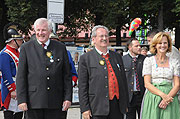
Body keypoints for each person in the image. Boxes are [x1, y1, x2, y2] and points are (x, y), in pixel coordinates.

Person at [16, 18, 72, 119]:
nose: (40, 33)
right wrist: (22, 100)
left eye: (44, 30)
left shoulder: (60, 47)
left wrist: (67, 98)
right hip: (33, 102)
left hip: (56, 101)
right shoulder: (26, 48)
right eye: (38, 30)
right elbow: (21, 76)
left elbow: (66, 75)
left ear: (50, 31)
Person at [78, 25, 129, 119]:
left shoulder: (116, 57)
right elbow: (82, 86)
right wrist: (85, 108)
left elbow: (123, 81)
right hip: (97, 106)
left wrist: (125, 103)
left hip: (117, 105)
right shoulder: (86, 58)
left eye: (106, 36)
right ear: (93, 39)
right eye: (101, 36)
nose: (104, 38)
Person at [141, 32, 180, 119]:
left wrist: (167, 99)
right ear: (155, 45)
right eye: (160, 43)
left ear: (168, 45)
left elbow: (177, 85)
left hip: (171, 97)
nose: (163, 45)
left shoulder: (174, 62)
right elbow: (147, 84)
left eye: (165, 43)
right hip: (153, 97)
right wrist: (163, 96)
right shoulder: (148, 61)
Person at [0, 23, 24, 119]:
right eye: (19, 40)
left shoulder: (18, 52)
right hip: (11, 88)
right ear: (13, 41)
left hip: (19, 86)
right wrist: (13, 90)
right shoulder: (4, 54)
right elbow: (6, 74)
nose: (22, 41)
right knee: (10, 113)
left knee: (19, 112)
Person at [122, 38, 146, 119]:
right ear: (130, 47)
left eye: (140, 45)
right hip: (129, 97)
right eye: (136, 46)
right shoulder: (122, 60)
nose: (139, 47)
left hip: (142, 96)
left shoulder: (145, 59)